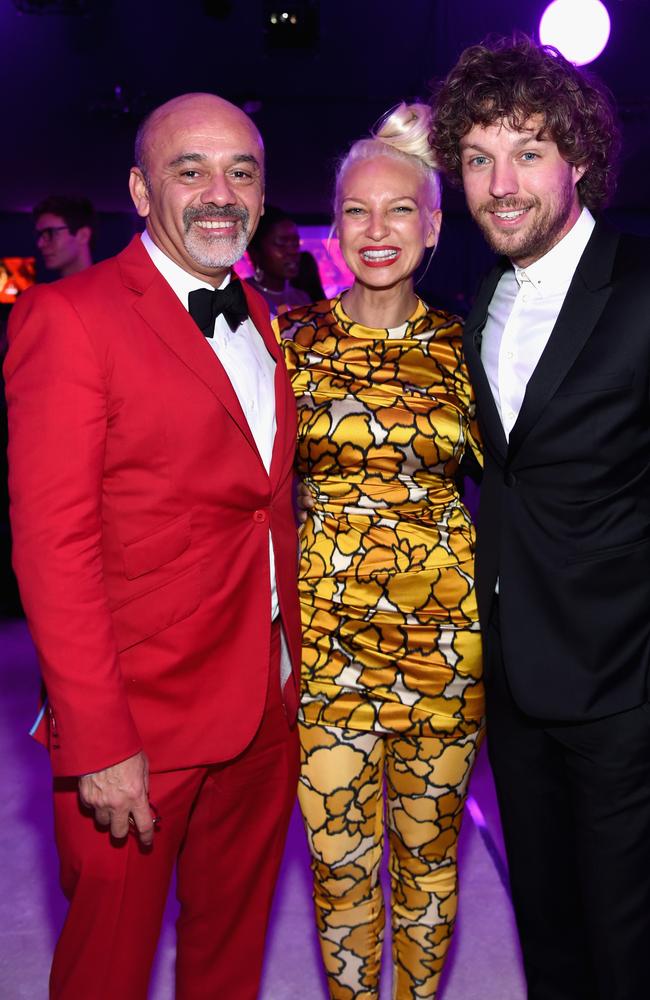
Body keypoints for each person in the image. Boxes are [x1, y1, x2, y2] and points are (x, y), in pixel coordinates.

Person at [5, 92, 301, 1000]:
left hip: (264, 700)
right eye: (190, 169)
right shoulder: (69, 318)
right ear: (140, 190)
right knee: (107, 967)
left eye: (241, 171)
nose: (221, 192)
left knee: (230, 957)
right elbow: (52, 547)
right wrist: (97, 738)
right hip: (137, 722)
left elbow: (261, 506)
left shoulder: (268, 317)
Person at [429, 35, 650, 1000]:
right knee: (547, 930)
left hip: (626, 685)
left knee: (630, 941)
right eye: (477, 158)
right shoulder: (479, 301)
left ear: (581, 160)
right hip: (513, 680)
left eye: (525, 150)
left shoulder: (642, 288)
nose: (499, 183)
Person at [276, 103, 484, 999]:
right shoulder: (293, 346)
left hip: (448, 653)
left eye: (400, 209)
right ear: (334, 223)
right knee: (343, 872)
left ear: (434, 225)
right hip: (326, 657)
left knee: (431, 871)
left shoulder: (470, 349)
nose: (377, 230)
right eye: (356, 211)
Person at [247, 204, 310, 316]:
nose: (292, 251)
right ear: (255, 251)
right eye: (281, 243)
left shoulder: (302, 298)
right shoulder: (241, 296)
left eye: (295, 243)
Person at [33, 195, 95, 277]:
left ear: (83, 235)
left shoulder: (112, 286)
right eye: (40, 235)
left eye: (50, 233)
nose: (40, 244)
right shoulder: (46, 289)